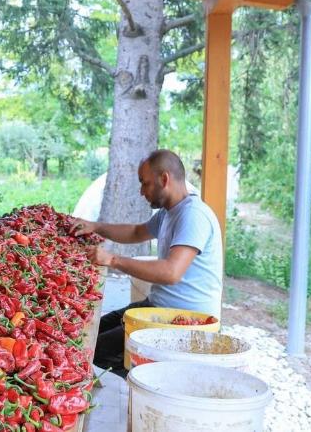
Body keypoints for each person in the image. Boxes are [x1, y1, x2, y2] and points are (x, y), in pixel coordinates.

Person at [71, 149, 223, 376]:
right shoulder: (168, 213)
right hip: (158, 309)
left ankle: (136, 385)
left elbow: (171, 272)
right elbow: (136, 232)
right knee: (89, 333)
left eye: (145, 183)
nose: (142, 191)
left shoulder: (193, 215)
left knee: (95, 353)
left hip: (186, 323)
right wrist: (96, 226)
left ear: (164, 179)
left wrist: (112, 259)